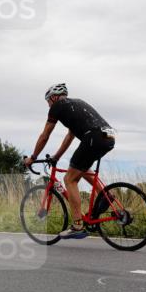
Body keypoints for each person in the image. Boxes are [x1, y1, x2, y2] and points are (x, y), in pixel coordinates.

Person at [23, 83, 116, 239]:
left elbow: (45, 135)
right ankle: (106, 196)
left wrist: (32, 158)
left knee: (69, 179)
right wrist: (56, 157)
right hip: (109, 136)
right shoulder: (77, 103)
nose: (48, 105)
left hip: (93, 137)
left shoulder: (57, 107)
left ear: (54, 97)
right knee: (82, 168)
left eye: (48, 101)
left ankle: (78, 225)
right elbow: (69, 136)